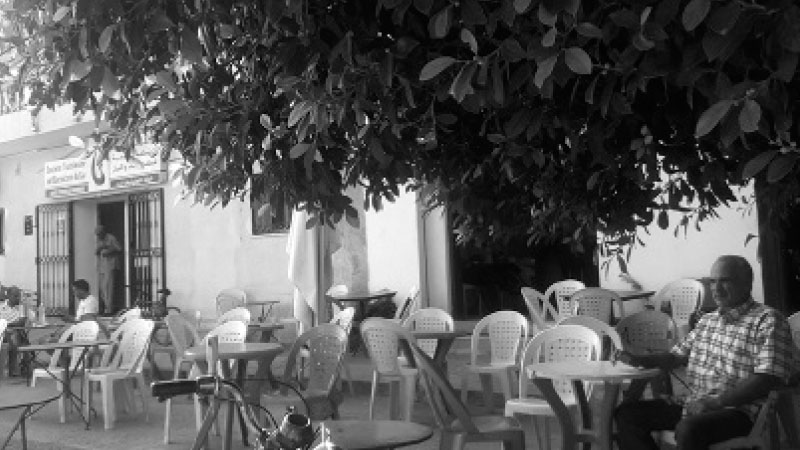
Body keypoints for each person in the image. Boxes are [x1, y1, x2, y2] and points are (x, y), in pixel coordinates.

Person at [614, 255, 798, 450]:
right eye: (713, 281)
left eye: (725, 281)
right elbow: (675, 356)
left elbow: (767, 378)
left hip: (738, 411)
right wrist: (639, 360)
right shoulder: (707, 321)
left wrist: (714, 403)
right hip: (695, 404)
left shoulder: (768, 320)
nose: (716, 288)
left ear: (747, 284)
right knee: (627, 414)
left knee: (689, 429)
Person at [95, 225, 121, 314]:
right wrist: (100, 249)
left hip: (110, 265)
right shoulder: (99, 240)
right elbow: (96, 252)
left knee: (108, 287)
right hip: (101, 265)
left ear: (103, 232)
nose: (98, 236)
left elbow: (119, 249)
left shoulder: (111, 238)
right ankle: (106, 306)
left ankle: (109, 309)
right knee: (102, 288)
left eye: (99, 234)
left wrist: (109, 249)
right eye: (97, 234)